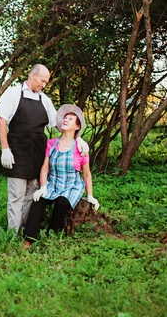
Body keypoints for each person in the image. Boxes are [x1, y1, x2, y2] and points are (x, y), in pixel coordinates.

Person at [0, 65, 89, 232]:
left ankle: (24, 230)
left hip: (38, 155)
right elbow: (2, 121)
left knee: (32, 196)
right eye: (42, 80)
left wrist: (79, 138)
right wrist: (5, 149)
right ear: (32, 76)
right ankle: (12, 235)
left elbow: (59, 124)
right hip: (17, 153)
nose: (44, 85)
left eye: (46, 82)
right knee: (16, 196)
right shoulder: (13, 93)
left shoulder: (44, 100)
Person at [22, 104, 99, 249]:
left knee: (62, 203)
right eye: (65, 118)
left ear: (77, 126)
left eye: (70, 119)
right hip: (53, 183)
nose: (66, 120)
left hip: (71, 186)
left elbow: (87, 174)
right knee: (38, 201)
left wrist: (90, 195)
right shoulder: (52, 143)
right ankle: (29, 239)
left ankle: (52, 234)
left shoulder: (81, 148)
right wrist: (43, 187)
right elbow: (45, 167)